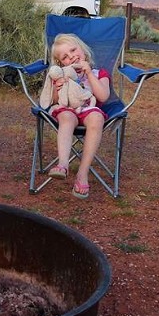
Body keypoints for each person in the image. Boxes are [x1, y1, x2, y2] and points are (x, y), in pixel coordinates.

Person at [45, 33, 110, 198]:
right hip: (67, 109)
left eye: (73, 50)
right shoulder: (61, 74)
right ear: (61, 63)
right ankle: (63, 164)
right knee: (67, 118)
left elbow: (103, 96)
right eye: (65, 57)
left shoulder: (99, 73)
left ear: (82, 48)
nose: (72, 56)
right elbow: (51, 101)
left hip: (89, 109)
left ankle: (82, 173)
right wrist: (57, 87)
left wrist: (88, 74)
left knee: (97, 118)